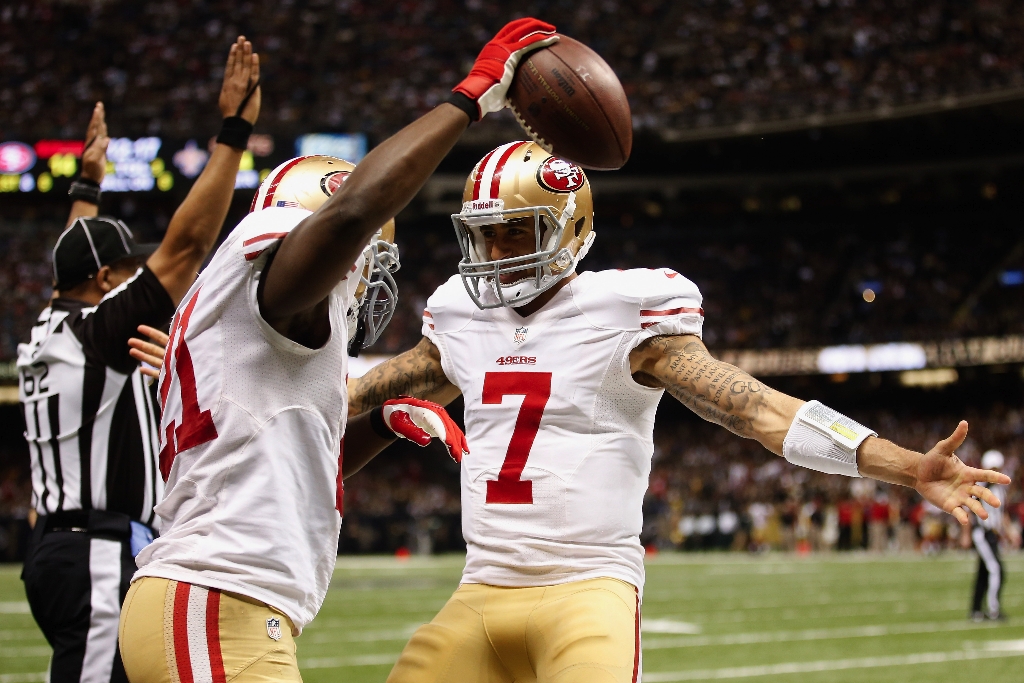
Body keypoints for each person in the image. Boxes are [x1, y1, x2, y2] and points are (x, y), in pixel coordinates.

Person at [347, 141, 1012, 683]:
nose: (496, 254)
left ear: (570, 228)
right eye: (485, 236)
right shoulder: (460, 316)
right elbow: (369, 392)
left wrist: (902, 465)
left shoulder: (624, 310)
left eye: (515, 231)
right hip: (480, 589)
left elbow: (757, 411)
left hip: (587, 589)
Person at [116, 18, 554, 683]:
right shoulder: (276, 280)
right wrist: (470, 98)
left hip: (213, 603)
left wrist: (378, 424)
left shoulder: (252, 321)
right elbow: (352, 212)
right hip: (214, 602)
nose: (369, 271)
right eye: (367, 255)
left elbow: (287, 463)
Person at [17, 37, 262, 683]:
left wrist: (87, 185)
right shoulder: (97, 332)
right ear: (104, 279)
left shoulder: (50, 325)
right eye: (126, 271)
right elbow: (185, 249)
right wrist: (233, 133)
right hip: (95, 546)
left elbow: (74, 261)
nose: (137, 281)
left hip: (57, 543)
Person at [970, 449, 1009, 621]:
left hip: (991, 534)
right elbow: (969, 508)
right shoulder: (981, 487)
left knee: (984, 572)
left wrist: (1007, 532)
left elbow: (1000, 515)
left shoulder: (999, 489)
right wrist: (966, 533)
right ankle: (993, 610)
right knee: (996, 570)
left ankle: (976, 610)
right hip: (982, 533)